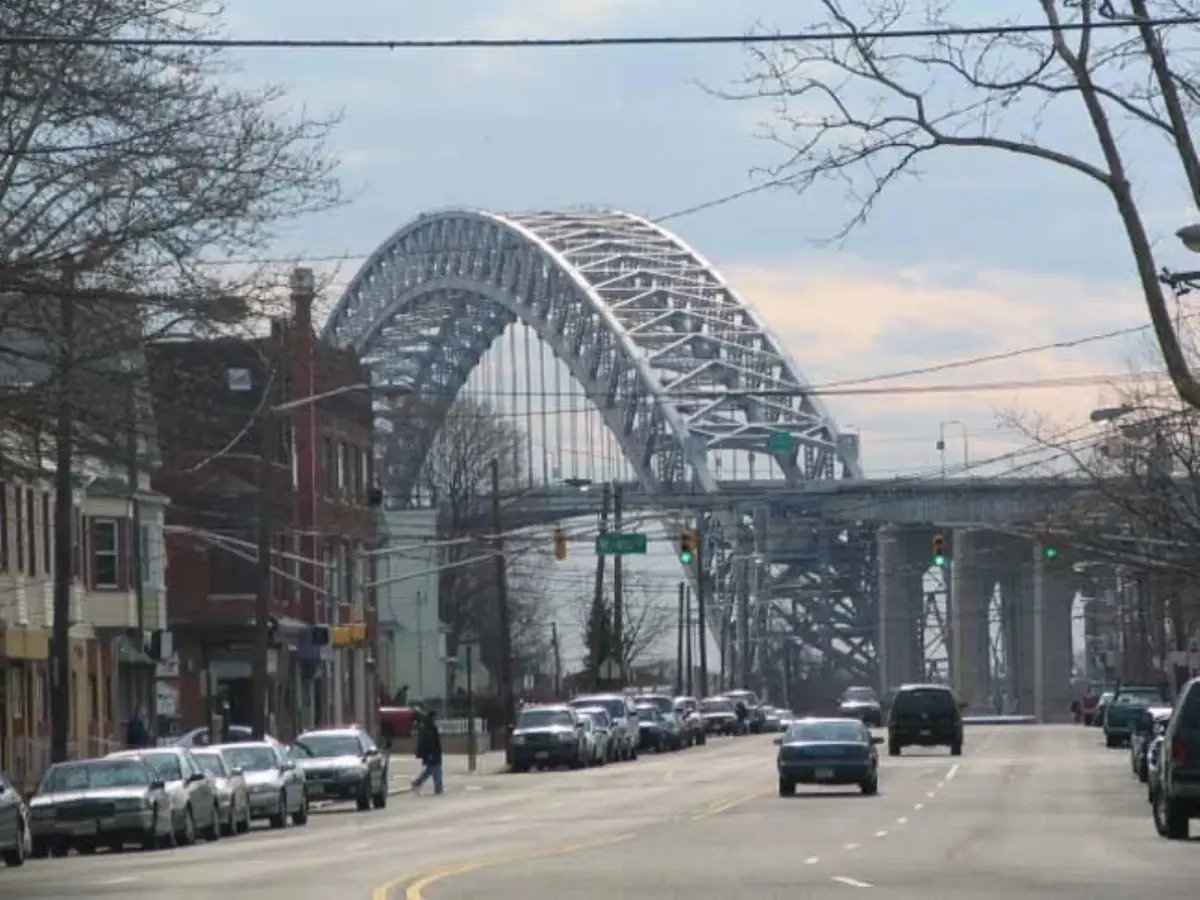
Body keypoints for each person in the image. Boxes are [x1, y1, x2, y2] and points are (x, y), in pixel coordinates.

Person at [410, 710, 444, 795]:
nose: (437, 720)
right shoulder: (428, 729)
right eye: (435, 718)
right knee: (436, 772)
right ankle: (439, 790)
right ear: (432, 718)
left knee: (430, 771)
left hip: (435, 753)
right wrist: (429, 754)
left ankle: (416, 783)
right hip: (432, 754)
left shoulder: (432, 728)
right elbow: (427, 743)